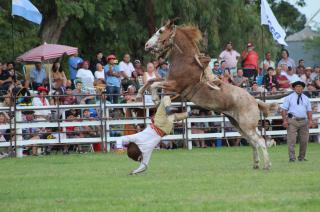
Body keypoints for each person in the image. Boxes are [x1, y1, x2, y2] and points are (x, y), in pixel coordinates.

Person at [116, 94, 190, 175]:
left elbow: (144, 166)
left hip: (166, 130)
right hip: (157, 124)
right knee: (166, 97)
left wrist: (134, 172)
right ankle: (169, 109)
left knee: (172, 117)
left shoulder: (145, 152)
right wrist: (119, 147)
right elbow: (119, 139)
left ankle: (189, 114)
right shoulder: (136, 139)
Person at [281, 81, 312, 162]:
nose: (299, 88)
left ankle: (301, 157)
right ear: (294, 88)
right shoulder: (289, 97)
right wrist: (284, 120)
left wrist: (310, 120)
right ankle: (292, 158)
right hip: (292, 120)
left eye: (301, 87)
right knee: (291, 140)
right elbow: (284, 110)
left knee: (304, 141)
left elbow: (309, 111)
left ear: (302, 88)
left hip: (304, 121)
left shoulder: (306, 98)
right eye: (297, 86)